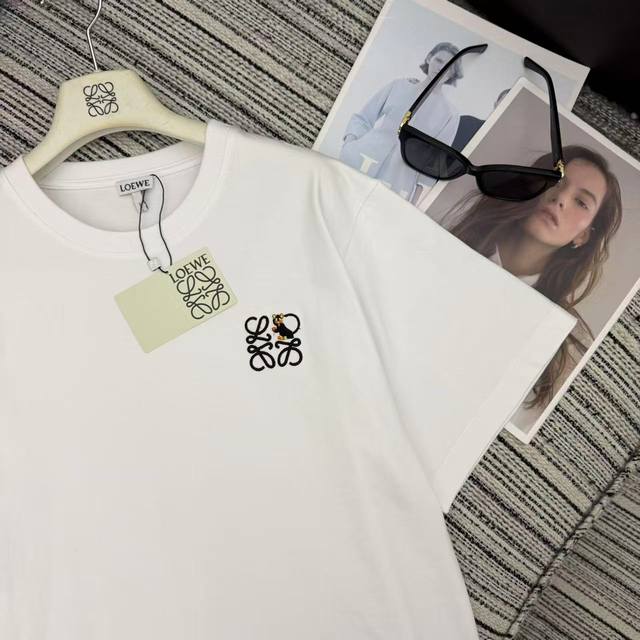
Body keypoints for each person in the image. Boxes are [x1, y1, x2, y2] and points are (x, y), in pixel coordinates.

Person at [442, 145, 623, 424]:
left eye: (581, 202)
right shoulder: (445, 242)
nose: (561, 198)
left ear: (584, 235)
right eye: (556, 181)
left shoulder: (562, 348)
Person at [339, 42, 462, 202]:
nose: (441, 68)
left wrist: (413, 201)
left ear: (453, 73)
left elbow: (434, 161)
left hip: (398, 180)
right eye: (439, 60)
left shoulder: (450, 114)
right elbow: (363, 118)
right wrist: (349, 144)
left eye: (448, 67)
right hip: (360, 159)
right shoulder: (398, 86)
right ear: (429, 58)